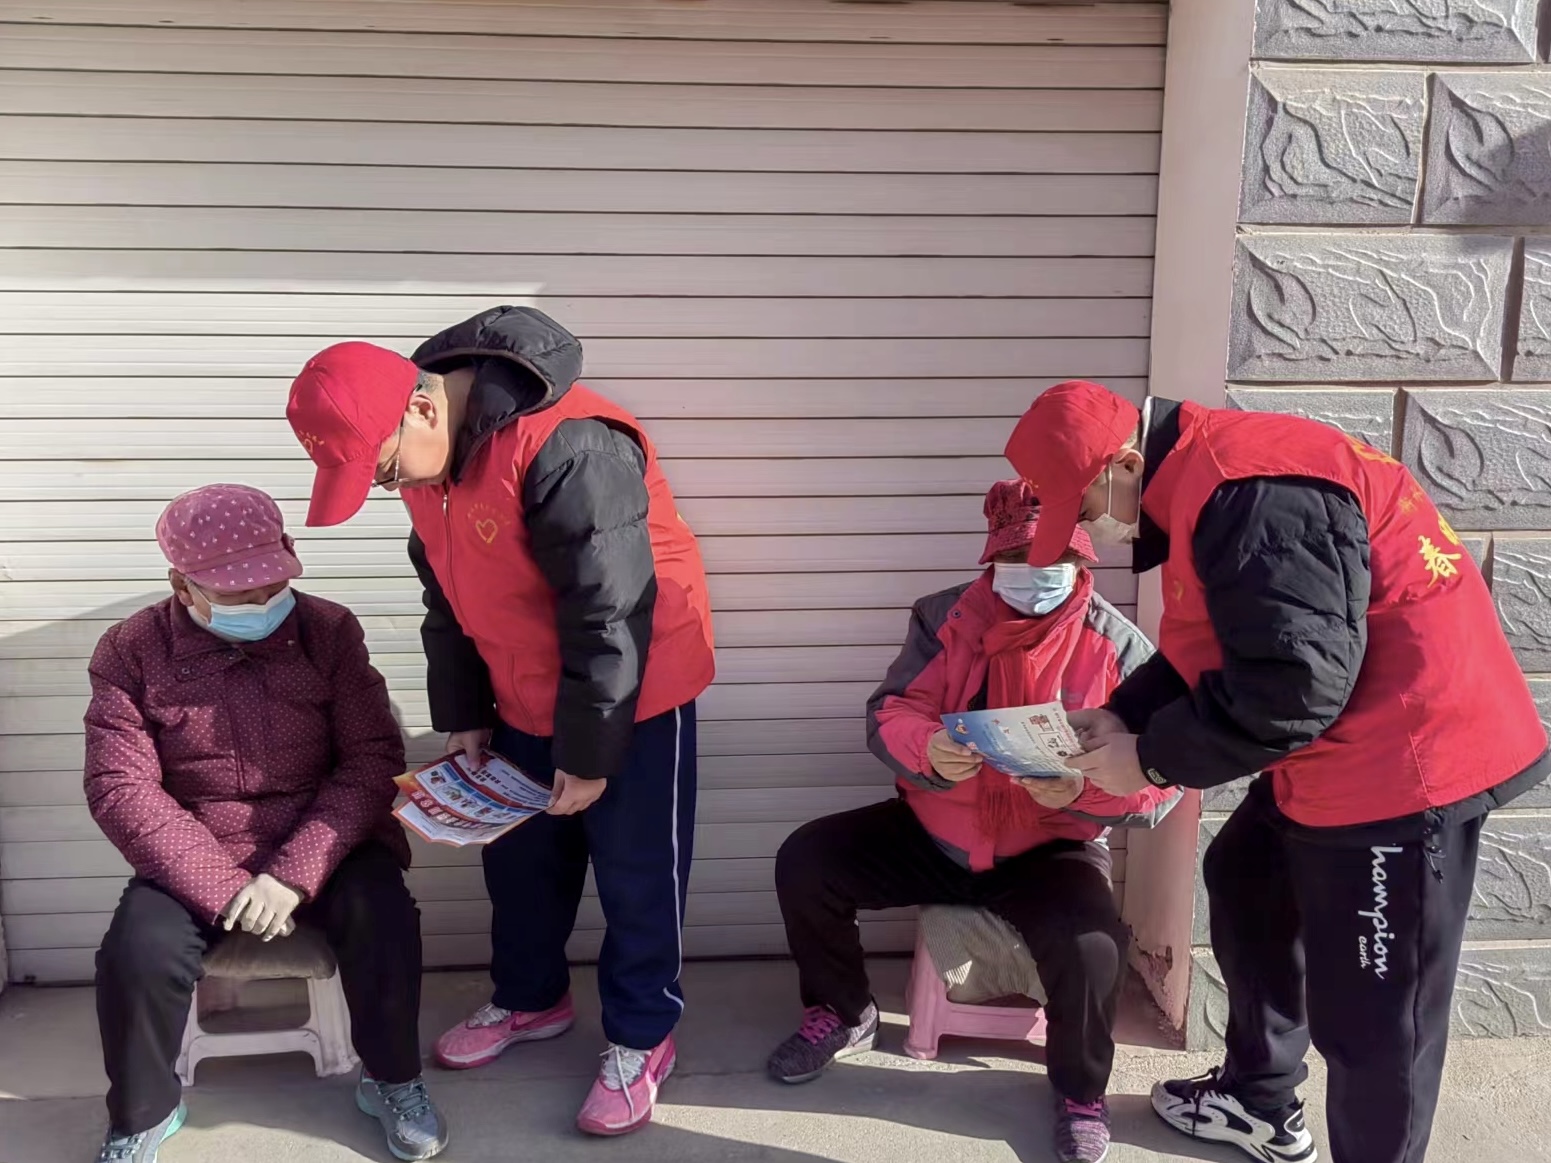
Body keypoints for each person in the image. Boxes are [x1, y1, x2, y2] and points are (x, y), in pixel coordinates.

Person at [1005, 381, 1550, 1163]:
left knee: (1375, 1019)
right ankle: (1258, 1099)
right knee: (1246, 874)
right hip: (1337, 741)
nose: (1094, 526)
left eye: (1086, 507)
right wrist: (1123, 713)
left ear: (1124, 461)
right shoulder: (1200, 480)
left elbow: (1295, 688)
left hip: (1407, 762)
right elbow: (1232, 646)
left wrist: (1149, 758)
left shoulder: (1247, 493)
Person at [285, 306, 715, 1136]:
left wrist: (590, 750)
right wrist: (466, 714)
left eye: (382, 470)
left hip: (631, 694)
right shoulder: (430, 463)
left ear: (421, 408)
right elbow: (446, 600)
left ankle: (641, 1034)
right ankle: (530, 996)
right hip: (520, 690)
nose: (389, 488)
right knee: (520, 864)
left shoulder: (569, 444)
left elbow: (609, 609)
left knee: (637, 876)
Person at [767, 480, 1181, 1163]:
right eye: (1016, 558)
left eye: (1054, 557)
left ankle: (1080, 1092)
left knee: (1093, 946)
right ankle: (841, 1011)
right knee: (806, 860)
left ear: (1082, 559)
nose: (1034, 572)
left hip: (1049, 845)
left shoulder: (1121, 647)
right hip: (936, 830)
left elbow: (1159, 787)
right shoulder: (943, 616)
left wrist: (1080, 791)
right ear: (991, 558)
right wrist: (927, 750)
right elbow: (891, 709)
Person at [85, 484, 447, 1163]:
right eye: (238, 594)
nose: (261, 604)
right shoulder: (131, 650)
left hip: (324, 840)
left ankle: (393, 1078)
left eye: (273, 587)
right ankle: (142, 1113)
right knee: (137, 949)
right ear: (183, 586)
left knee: (383, 912)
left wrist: (291, 875)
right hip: (198, 846)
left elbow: (372, 758)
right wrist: (224, 889)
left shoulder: (329, 632)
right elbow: (120, 787)